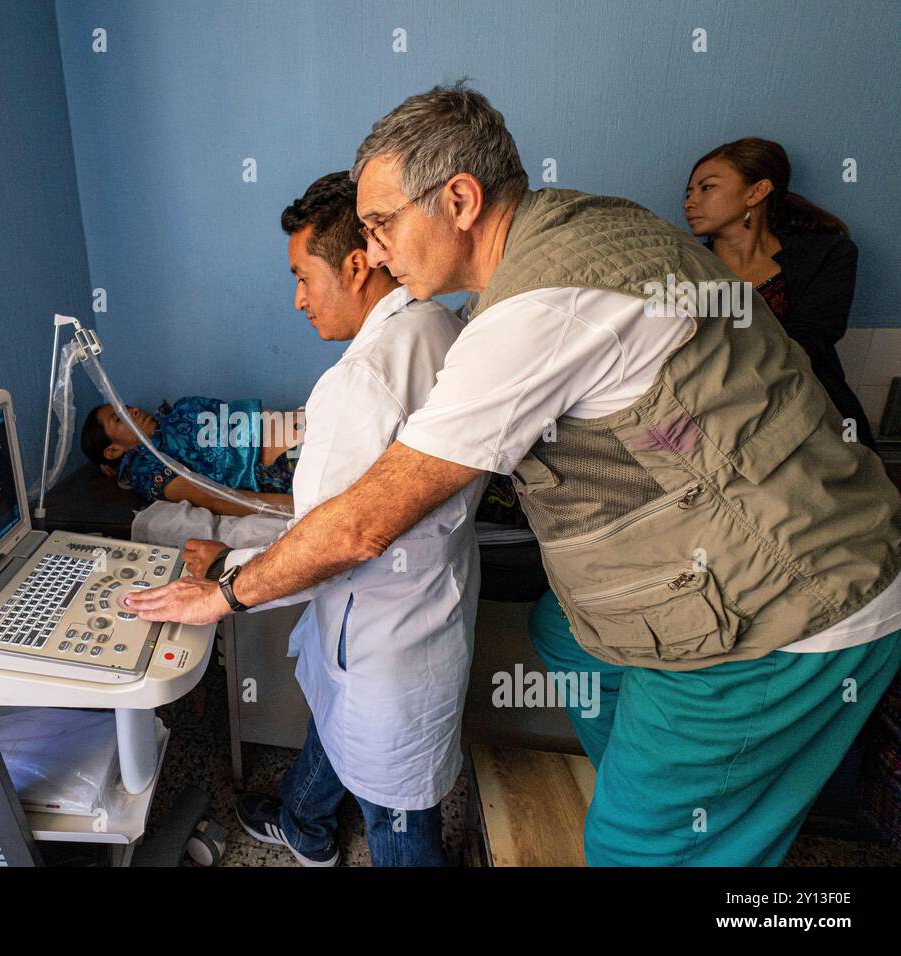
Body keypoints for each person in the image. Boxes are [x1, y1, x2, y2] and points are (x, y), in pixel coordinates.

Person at [128, 82, 901, 867]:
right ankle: (646, 776)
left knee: (635, 848)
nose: (377, 251)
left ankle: (661, 819)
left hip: (784, 600)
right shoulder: (579, 230)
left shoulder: (533, 311)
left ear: (459, 198)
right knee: (560, 636)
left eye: (383, 224)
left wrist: (225, 588)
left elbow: (360, 523)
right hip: (815, 519)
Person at [184, 171, 481, 866]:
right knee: (332, 715)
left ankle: (335, 832)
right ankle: (304, 821)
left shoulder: (360, 381)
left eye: (301, 277)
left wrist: (224, 576)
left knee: (399, 817)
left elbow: (328, 545)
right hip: (417, 610)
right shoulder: (440, 324)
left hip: (385, 648)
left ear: (355, 265)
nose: (297, 300)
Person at [685, 137, 876, 450]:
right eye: (689, 192)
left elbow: (812, 338)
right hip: (712, 414)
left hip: (806, 407)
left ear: (757, 191)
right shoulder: (687, 265)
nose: (690, 202)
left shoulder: (827, 253)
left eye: (707, 187)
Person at [79, 397, 301, 516]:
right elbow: (214, 498)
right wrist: (299, 506)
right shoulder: (149, 469)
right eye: (119, 418)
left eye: (126, 407)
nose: (134, 410)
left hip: (305, 421)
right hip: (294, 459)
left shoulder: (176, 413)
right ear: (113, 451)